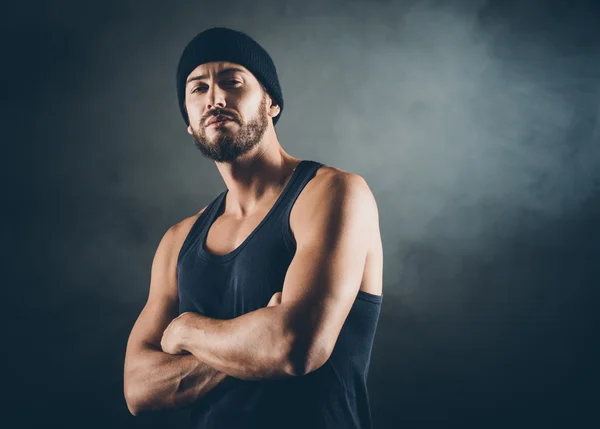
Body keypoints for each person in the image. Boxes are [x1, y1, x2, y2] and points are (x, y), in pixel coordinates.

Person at [123, 27, 383, 429]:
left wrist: (188, 330)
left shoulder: (332, 194)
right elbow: (138, 388)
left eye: (233, 82)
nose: (215, 98)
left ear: (270, 102)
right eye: (198, 88)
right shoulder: (178, 241)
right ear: (190, 124)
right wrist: (254, 339)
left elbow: (294, 348)